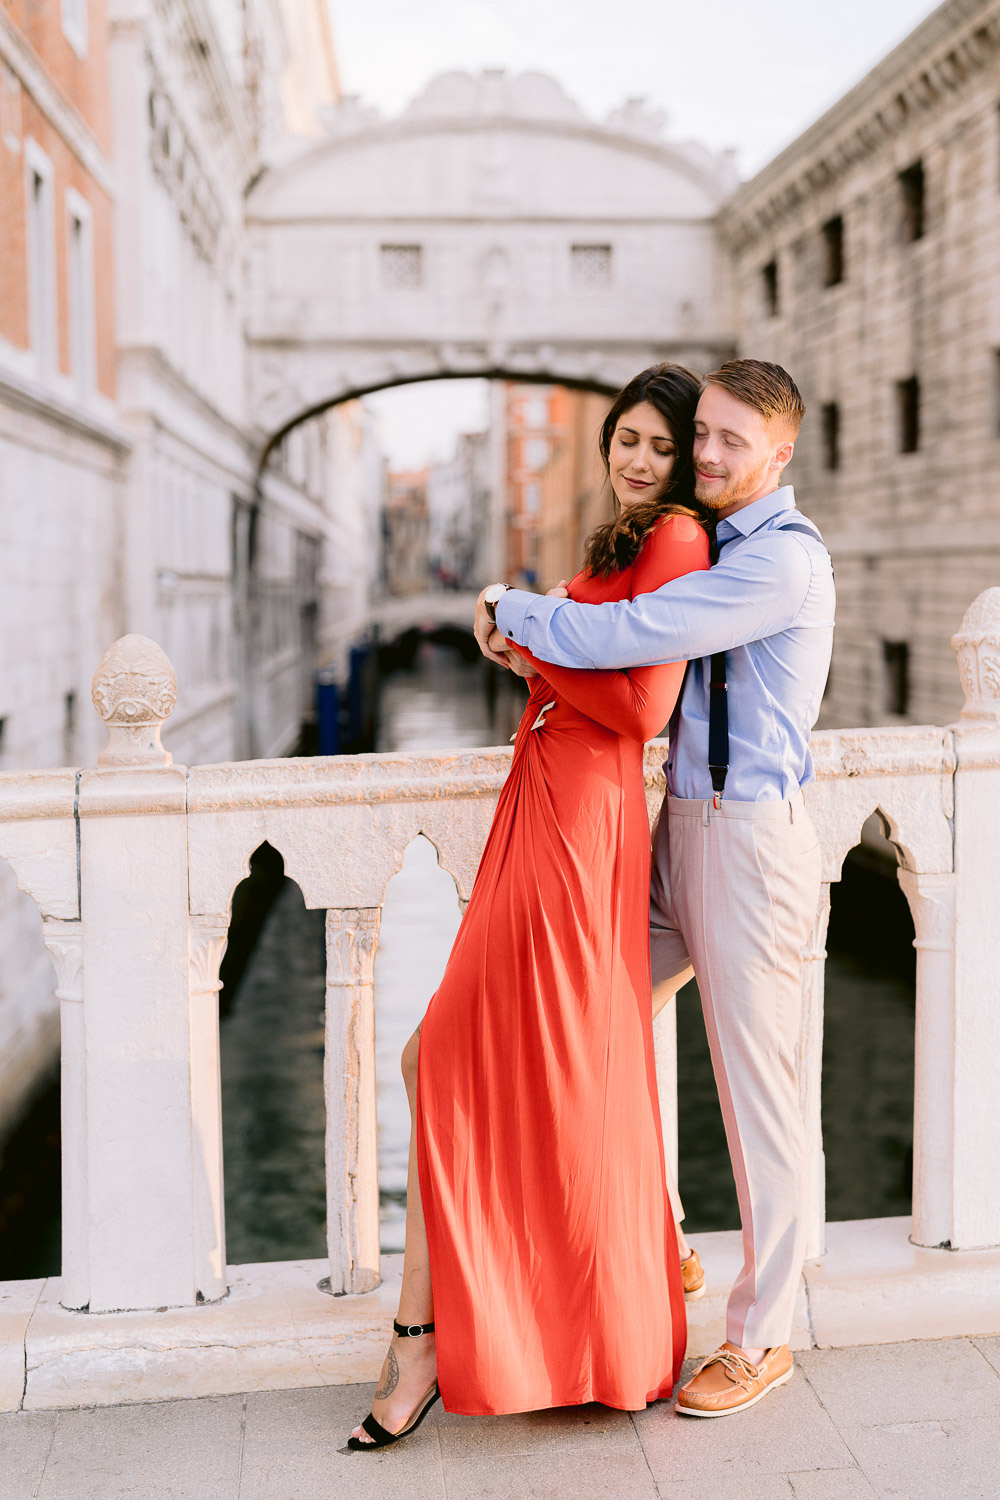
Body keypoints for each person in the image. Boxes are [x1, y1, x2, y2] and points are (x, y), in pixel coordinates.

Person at [349, 363, 711, 1448]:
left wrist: (528, 636)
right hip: (538, 803)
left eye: (658, 445)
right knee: (502, 1066)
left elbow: (642, 703)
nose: (636, 460)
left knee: (448, 1058)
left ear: (689, 456)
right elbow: (584, 676)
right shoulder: (617, 545)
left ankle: (423, 1335)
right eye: (626, 440)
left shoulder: (679, 541)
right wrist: (534, 649)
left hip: (579, 818)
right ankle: (524, 1335)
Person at [477, 359, 836, 1418]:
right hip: (672, 835)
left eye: (735, 441)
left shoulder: (779, 563)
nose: (711, 455)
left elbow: (635, 639)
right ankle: (661, 1236)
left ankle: (761, 1339)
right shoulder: (701, 541)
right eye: (704, 436)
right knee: (582, 1024)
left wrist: (512, 606)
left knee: (760, 1102)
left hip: (748, 847)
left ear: (779, 453)